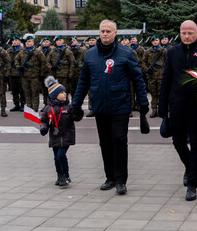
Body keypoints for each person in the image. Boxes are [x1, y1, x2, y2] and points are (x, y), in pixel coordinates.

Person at [72, 20, 149, 195]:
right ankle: (110, 178)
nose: (105, 34)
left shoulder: (125, 53)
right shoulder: (91, 55)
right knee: (105, 143)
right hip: (100, 106)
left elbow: (137, 78)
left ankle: (121, 180)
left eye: (108, 31)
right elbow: (83, 81)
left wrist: (143, 102)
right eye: (102, 31)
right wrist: (76, 104)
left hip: (120, 105)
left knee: (119, 141)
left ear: (115, 33)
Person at [159, 20, 197, 201]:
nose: (186, 36)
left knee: (196, 145)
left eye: (190, 33)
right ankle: (189, 166)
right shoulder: (172, 52)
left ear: (196, 33)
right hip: (176, 106)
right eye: (183, 33)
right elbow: (166, 79)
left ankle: (192, 184)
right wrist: (162, 108)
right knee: (178, 143)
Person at [40, 76, 82, 187]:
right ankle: (59, 175)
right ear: (54, 96)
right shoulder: (48, 108)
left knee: (61, 155)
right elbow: (44, 120)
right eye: (61, 92)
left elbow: (75, 117)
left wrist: (79, 112)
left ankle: (66, 175)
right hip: (55, 136)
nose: (65, 94)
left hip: (66, 136)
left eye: (65, 92)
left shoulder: (68, 107)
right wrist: (43, 128)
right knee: (56, 157)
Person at [14, 36, 47, 112]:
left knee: (35, 94)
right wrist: (19, 67)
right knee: (27, 94)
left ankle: (34, 110)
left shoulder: (37, 52)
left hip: (34, 77)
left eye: (29, 41)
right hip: (25, 76)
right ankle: (29, 109)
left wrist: (41, 74)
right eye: (26, 42)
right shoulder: (22, 51)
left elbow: (43, 62)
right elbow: (16, 60)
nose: (27, 43)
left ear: (33, 42)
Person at [142, 35, 166, 118]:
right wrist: (147, 69)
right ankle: (154, 110)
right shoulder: (148, 51)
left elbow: (167, 62)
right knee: (153, 94)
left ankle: (161, 110)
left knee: (161, 94)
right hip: (151, 76)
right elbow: (143, 62)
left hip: (161, 76)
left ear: (159, 41)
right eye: (153, 41)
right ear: (151, 42)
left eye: (156, 40)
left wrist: (164, 72)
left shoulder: (163, 51)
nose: (155, 42)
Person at [7, 36, 25, 112]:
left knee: (22, 90)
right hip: (11, 73)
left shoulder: (22, 50)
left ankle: (23, 105)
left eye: (16, 40)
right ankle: (16, 105)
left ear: (19, 42)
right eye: (13, 40)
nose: (14, 42)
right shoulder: (8, 50)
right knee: (14, 91)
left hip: (19, 73)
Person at [0, 36, 11, 117]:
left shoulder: (2, 52)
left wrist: (7, 74)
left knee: (2, 94)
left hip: (1, 76)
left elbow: (8, 63)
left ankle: (3, 110)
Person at [38, 37, 52, 107]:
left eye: (47, 42)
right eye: (44, 42)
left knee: (49, 90)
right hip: (41, 73)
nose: (45, 43)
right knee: (43, 91)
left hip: (49, 73)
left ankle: (50, 105)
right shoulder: (38, 51)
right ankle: (46, 105)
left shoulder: (52, 51)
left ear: (49, 43)